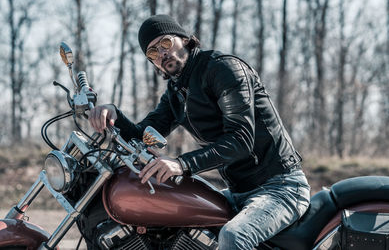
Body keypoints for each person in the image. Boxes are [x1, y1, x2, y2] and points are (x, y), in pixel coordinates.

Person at [89, 14, 310, 250]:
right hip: (239, 192)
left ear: (184, 39)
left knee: (235, 237)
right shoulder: (176, 92)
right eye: (152, 52)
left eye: (165, 43)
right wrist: (113, 114)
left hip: (281, 186)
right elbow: (143, 135)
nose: (161, 54)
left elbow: (241, 139)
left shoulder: (223, 68)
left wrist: (181, 164)